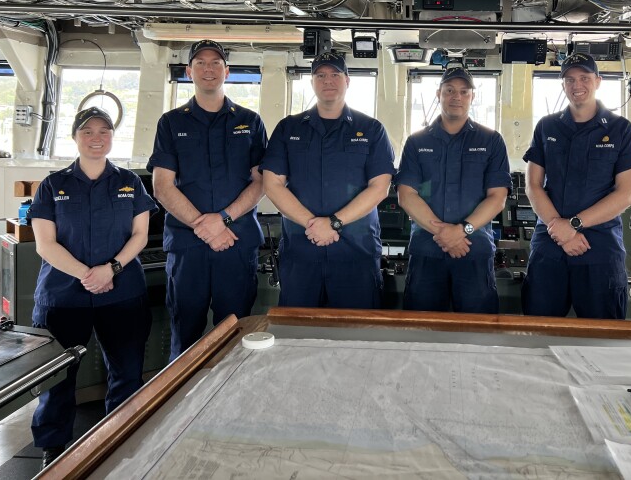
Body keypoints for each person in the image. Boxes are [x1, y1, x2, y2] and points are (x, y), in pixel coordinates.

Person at [27, 107, 156, 469]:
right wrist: (89, 274)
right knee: (58, 376)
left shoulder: (131, 181)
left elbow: (140, 235)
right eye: (87, 131)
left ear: (113, 136)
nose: (96, 137)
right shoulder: (53, 184)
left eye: (104, 131)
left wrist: (111, 269)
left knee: (127, 371)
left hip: (122, 292)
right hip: (63, 295)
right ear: (75, 137)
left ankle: (121, 435)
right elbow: (45, 244)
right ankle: (53, 447)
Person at [147, 39, 267, 360]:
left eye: (216, 63)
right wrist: (205, 227)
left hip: (235, 245)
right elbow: (162, 186)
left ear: (227, 71)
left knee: (236, 336)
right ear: (189, 72)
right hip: (189, 249)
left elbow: (261, 182)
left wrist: (222, 219)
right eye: (200, 63)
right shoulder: (171, 123)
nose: (208, 69)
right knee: (185, 336)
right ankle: (179, 408)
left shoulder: (250, 122)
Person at [261, 50, 395, 307]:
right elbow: (272, 184)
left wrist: (332, 223)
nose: (328, 81)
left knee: (355, 333)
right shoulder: (288, 128)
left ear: (347, 80)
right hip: (302, 252)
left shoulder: (372, 129)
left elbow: (379, 187)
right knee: (297, 335)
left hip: (355, 252)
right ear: (311, 82)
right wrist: (314, 224)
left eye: (335, 74)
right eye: (320, 75)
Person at [522, 53, 631, 319]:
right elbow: (533, 186)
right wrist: (559, 229)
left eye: (585, 78)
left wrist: (572, 226)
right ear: (562, 84)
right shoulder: (546, 126)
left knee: (603, 339)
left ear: (598, 81)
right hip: (550, 245)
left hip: (599, 248)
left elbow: (626, 194)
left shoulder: (621, 129)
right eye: (570, 79)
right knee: (537, 332)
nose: (578, 85)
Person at [395, 66, 510, 313]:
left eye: (463, 91)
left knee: (477, 333)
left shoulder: (491, 141)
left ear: (472, 97)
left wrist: (462, 231)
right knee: (421, 331)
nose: (456, 97)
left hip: (473, 250)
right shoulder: (417, 141)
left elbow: (497, 198)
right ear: (439, 94)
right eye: (449, 90)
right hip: (427, 251)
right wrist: (445, 234)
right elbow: (406, 195)